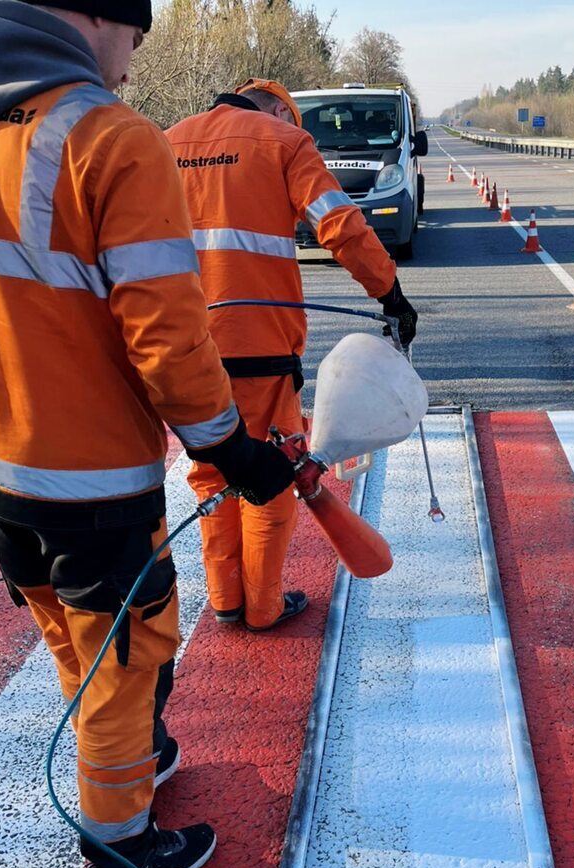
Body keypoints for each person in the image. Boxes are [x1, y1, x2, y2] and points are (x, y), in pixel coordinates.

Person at [0, 2, 296, 868]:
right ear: (94, 15)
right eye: (134, 35)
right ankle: (122, 854)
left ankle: (130, 761)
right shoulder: (110, 137)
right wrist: (231, 447)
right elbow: (168, 338)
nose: (131, 61)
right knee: (123, 665)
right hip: (91, 479)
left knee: (70, 641)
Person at [165, 79, 417, 631]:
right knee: (271, 474)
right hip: (258, 348)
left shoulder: (164, 142)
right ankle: (263, 607)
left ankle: (225, 598)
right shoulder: (282, 142)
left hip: (181, 348)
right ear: (281, 110)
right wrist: (390, 293)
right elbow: (340, 226)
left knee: (211, 473)